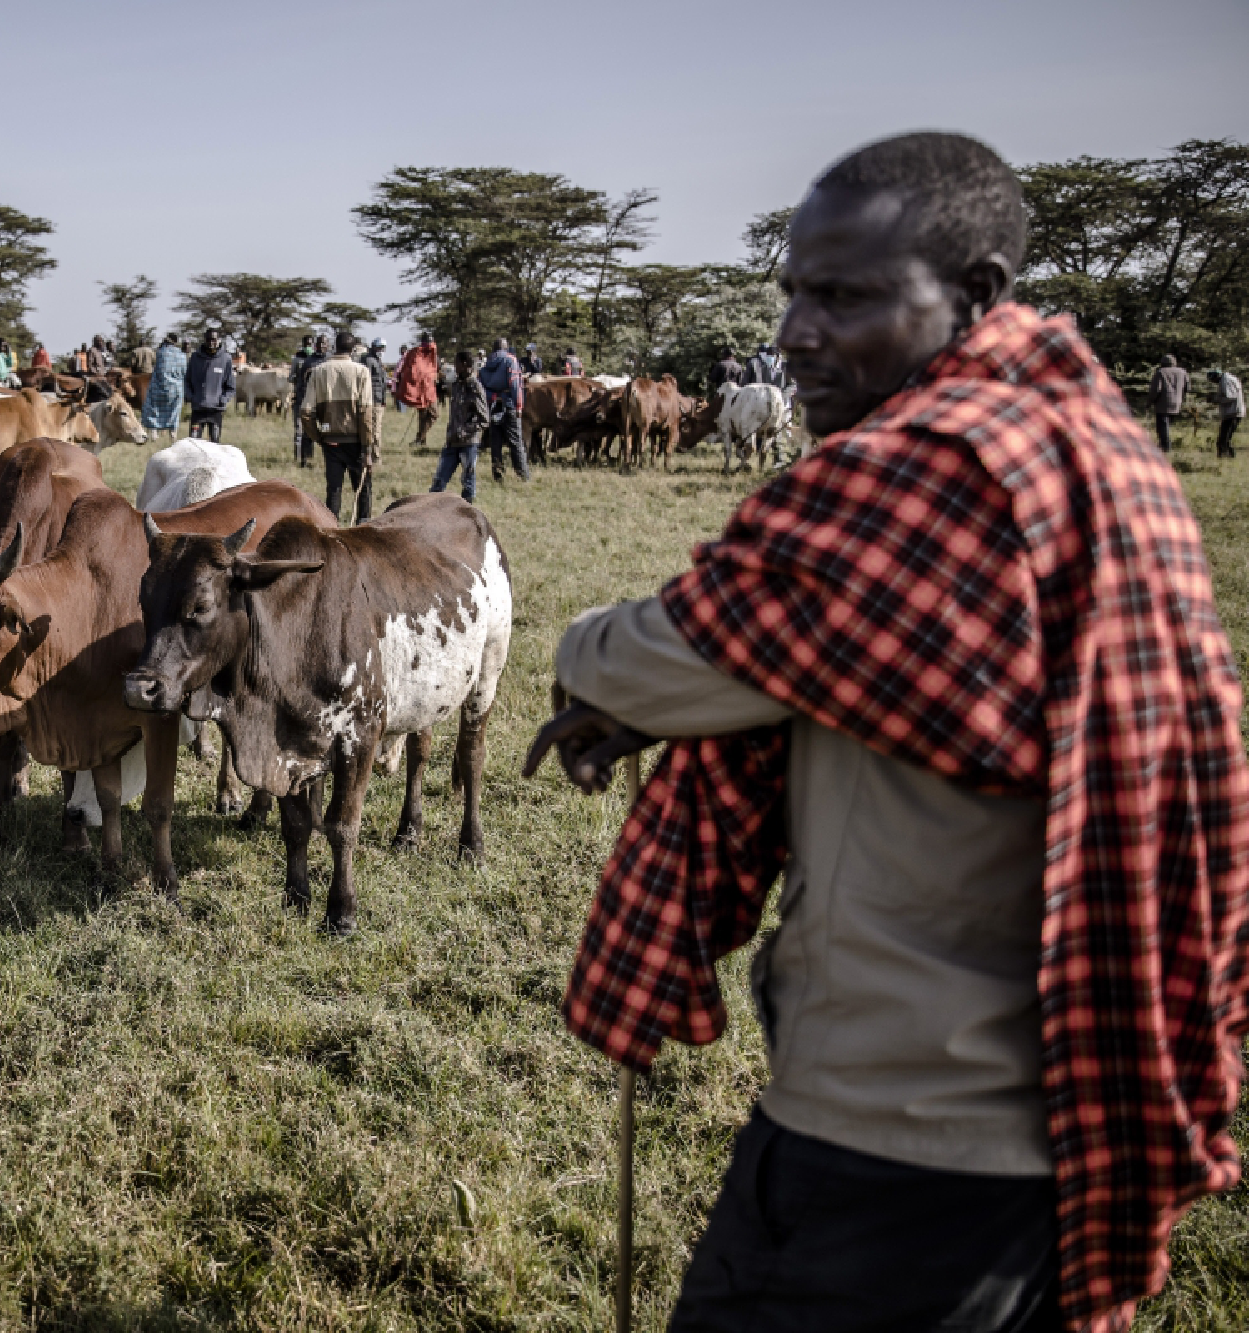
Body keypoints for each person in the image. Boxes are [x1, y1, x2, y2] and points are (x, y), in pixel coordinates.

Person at [529, 130, 1249, 1333]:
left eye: (845, 294)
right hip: (1068, 1117)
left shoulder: (924, 470)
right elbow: (838, 659)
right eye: (793, 292)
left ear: (973, 295)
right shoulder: (1099, 454)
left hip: (889, 1142)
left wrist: (618, 679)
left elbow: (641, 656)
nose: (796, 332)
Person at [299, 331, 378, 522]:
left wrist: (318, 436)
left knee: (333, 489)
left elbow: (305, 412)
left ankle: (331, 531)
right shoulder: (361, 372)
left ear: (335, 346)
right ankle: (362, 527)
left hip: (330, 440)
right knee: (362, 489)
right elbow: (366, 414)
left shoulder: (319, 371)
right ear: (353, 349)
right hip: (356, 442)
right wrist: (368, 447)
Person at [428, 349, 491, 502]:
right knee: (438, 482)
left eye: (457, 363)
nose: (455, 367)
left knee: (468, 483)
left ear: (464, 364)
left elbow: (484, 419)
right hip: (451, 442)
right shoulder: (456, 385)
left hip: (468, 443)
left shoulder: (475, 388)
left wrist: (465, 431)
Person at [478, 338, 530, 483]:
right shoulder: (510, 361)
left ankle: (498, 475)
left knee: (496, 442)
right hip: (509, 404)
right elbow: (515, 384)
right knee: (516, 442)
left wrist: (494, 396)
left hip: (493, 405)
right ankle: (523, 475)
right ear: (506, 348)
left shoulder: (486, 364)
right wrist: (519, 405)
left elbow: (481, 388)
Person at [183, 327, 235, 442]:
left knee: (214, 443)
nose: (211, 343)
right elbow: (187, 381)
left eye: (214, 340)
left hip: (215, 410)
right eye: (208, 340)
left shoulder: (226, 359)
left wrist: (223, 399)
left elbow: (231, 387)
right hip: (198, 409)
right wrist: (191, 397)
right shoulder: (195, 358)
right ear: (204, 340)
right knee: (194, 443)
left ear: (219, 340)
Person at [394, 331, 441, 448]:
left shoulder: (433, 355)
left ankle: (420, 438)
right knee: (424, 416)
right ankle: (420, 440)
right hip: (421, 390)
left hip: (429, 390)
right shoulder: (416, 354)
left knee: (433, 415)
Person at [291, 334, 328, 464]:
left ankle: (329, 460)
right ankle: (305, 459)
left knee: (327, 430)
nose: (321, 346)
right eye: (319, 343)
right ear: (315, 345)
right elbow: (301, 382)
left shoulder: (330, 361)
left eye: (324, 343)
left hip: (326, 402)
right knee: (306, 431)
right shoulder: (308, 361)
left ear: (327, 345)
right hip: (309, 400)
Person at [1149, 354, 1190, 451]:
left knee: (1162, 426)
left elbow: (1156, 389)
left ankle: (1166, 447)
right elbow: (1188, 388)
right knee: (1168, 425)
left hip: (1163, 403)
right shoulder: (1183, 372)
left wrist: (1150, 402)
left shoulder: (1160, 372)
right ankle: (1165, 445)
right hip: (1177, 403)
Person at [1209, 367, 1242, 459]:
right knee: (1225, 439)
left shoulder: (1226, 380)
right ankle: (1229, 458)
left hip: (1233, 413)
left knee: (1223, 440)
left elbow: (1230, 397)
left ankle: (1225, 458)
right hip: (1232, 412)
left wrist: (1215, 399)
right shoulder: (1227, 378)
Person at [360, 338, 390, 413]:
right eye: (379, 348)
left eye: (383, 348)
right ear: (373, 347)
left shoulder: (378, 360)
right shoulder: (369, 360)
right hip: (372, 397)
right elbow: (366, 379)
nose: (381, 350)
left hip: (379, 397)